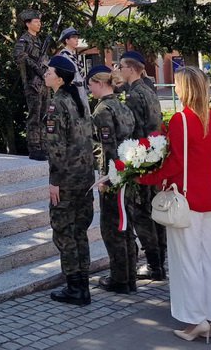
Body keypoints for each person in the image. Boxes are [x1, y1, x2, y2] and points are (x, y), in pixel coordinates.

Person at [140, 67, 211, 342]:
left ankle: (196, 320)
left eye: (177, 84)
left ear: (185, 88)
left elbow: (175, 163)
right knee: (209, 259)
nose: (175, 88)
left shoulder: (181, 120)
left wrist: (145, 177)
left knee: (187, 262)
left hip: (186, 199)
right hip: (210, 196)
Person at [43, 55, 96, 306]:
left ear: (60, 79)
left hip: (67, 179)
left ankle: (75, 288)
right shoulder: (79, 101)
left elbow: (56, 148)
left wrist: (55, 181)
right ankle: (82, 285)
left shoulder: (57, 104)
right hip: (84, 177)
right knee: (79, 232)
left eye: (49, 72)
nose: (45, 74)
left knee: (64, 232)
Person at [88, 65, 137, 293]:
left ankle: (119, 279)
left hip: (114, 175)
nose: (90, 89)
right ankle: (129, 276)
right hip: (128, 172)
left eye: (91, 85)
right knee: (126, 226)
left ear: (100, 83)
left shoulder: (102, 110)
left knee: (112, 228)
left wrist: (104, 179)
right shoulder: (122, 105)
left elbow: (107, 148)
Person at [120, 50, 167, 281]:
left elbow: (132, 130)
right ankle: (160, 260)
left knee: (141, 213)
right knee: (154, 210)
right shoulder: (149, 90)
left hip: (141, 160)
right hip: (155, 157)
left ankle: (153, 264)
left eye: (121, 67)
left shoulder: (134, 95)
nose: (119, 71)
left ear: (130, 69)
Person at [13, 9, 49, 161]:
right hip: (32, 83)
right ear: (28, 24)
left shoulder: (40, 41)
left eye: (40, 21)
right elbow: (19, 56)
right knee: (34, 116)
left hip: (44, 83)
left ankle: (44, 146)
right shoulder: (24, 41)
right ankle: (34, 148)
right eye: (36, 21)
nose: (39, 24)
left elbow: (45, 59)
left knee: (45, 116)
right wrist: (36, 67)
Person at [56, 28, 89, 114]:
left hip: (81, 88)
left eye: (77, 37)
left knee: (86, 114)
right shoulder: (63, 56)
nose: (77, 39)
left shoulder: (74, 55)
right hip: (73, 90)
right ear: (67, 40)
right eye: (73, 37)